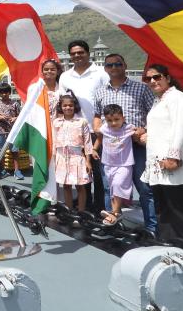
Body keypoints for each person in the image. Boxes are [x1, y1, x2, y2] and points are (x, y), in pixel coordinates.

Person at [141, 64, 183, 248]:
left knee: (181, 209)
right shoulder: (159, 101)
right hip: (158, 164)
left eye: (157, 77)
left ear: (167, 78)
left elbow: (181, 129)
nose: (153, 81)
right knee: (164, 209)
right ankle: (168, 245)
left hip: (174, 164)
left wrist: (173, 156)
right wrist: (146, 134)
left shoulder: (177, 98)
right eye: (148, 79)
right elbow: (164, 128)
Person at [93, 54, 157, 233]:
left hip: (136, 145)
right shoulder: (100, 91)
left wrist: (143, 131)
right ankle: (112, 225)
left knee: (144, 187)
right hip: (111, 147)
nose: (114, 67)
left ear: (125, 65)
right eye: (110, 65)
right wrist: (97, 129)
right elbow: (97, 115)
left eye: (118, 64)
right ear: (105, 68)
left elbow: (154, 113)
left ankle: (152, 227)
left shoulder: (141, 88)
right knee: (110, 187)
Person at [58, 40, 110, 214]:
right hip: (76, 132)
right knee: (83, 172)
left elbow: (108, 100)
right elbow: (63, 104)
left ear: (88, 53)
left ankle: (100, 206)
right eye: (73, 53)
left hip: (98, 130)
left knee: (99, 172)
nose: (77, 56)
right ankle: (85, 205)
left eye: (80, 52)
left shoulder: (101, 73)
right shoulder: (65, 77)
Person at [94, 104, 135, 225]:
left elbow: (140, 132)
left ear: (123, 117)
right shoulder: (105, 128)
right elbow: (100, 138)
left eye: (116, 119)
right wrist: (94, 149)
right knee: (112, 189)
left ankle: (115, 213)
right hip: (108, 164)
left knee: (118, 184)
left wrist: (142, 132)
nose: (113, 123)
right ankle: (116, 214)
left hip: (124, 164)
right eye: (109, 120)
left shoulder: (129, 128)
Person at [53, 92, 93, 212]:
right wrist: (54, 160)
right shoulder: (56, 122)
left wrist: (88, 161)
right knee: (66, 185)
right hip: (61, 157)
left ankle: (81, 212)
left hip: (77, 157)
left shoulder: (82, 122)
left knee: (80, 186)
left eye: (70, 105)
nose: (68, 107)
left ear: (74, 106)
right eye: (65, 105)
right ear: (61, 107)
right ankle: (69, 210)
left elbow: (87, 143)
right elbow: (54, 142)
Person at [0, 83, 22, 179]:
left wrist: (15, 118)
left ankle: (17, 170)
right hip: (0, 130)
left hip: (13, 131)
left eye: (6, 92)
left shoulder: (15, 103)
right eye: (2, 92)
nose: (4, 94)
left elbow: (21, 115)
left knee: (15, 150)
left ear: (9, 92)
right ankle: (3, 169)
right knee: (1, 150)